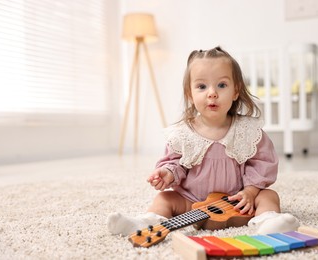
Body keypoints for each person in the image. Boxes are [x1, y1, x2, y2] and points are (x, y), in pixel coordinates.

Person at [107, 46, 299, 236]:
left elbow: (263, 163)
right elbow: (176, 163)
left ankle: (268, 223)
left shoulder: (247, 131)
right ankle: (144, 223)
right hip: (191, 203)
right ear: (190, 94)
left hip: (238, 203)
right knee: (164, 198)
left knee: (269, 196)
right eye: (202, 86)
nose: (212, 93)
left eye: (222, 85)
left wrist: (250, 192)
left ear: (235, 91)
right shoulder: (183, 133)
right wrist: (167, 173)